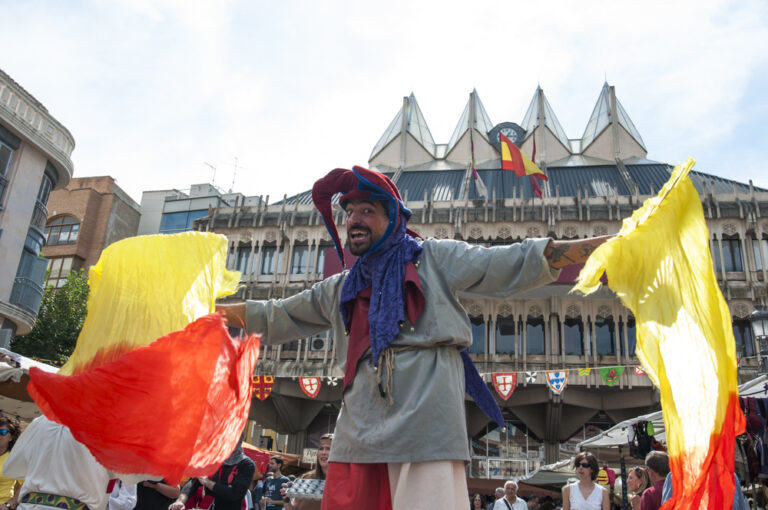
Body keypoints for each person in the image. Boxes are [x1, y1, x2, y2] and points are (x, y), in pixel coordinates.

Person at [219, 166, 609, 510]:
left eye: (367, 211)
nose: (354, 219)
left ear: (393, 219)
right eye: (349, 211)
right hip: (358, 433)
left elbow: (508, 262)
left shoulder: (433, 259)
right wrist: (208, 313)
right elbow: (277, 315)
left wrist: (603, 249)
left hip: (427, 431)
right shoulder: (340, 288)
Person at [4, 416, 146, 510]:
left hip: (29, 505)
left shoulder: (40, 421)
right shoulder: (110, 427)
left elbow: (12, 468)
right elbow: (139, 473)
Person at [170, 442, 255, 510]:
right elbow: (193, 483)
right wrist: (180, 501)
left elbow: (235, 493)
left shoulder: (247, 464)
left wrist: (208, 483)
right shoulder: (211, 461)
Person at [281, 434, 333, 510]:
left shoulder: (344, 481)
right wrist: (286, 499)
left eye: (328, 449)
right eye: (321, 449)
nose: (323, 452)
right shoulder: (306, 478)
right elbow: (294, 508)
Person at [0, 415, 21, 510]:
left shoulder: (14, 459)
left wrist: (10, 503)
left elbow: (27, 484)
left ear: (11, 437)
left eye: (2, 432)